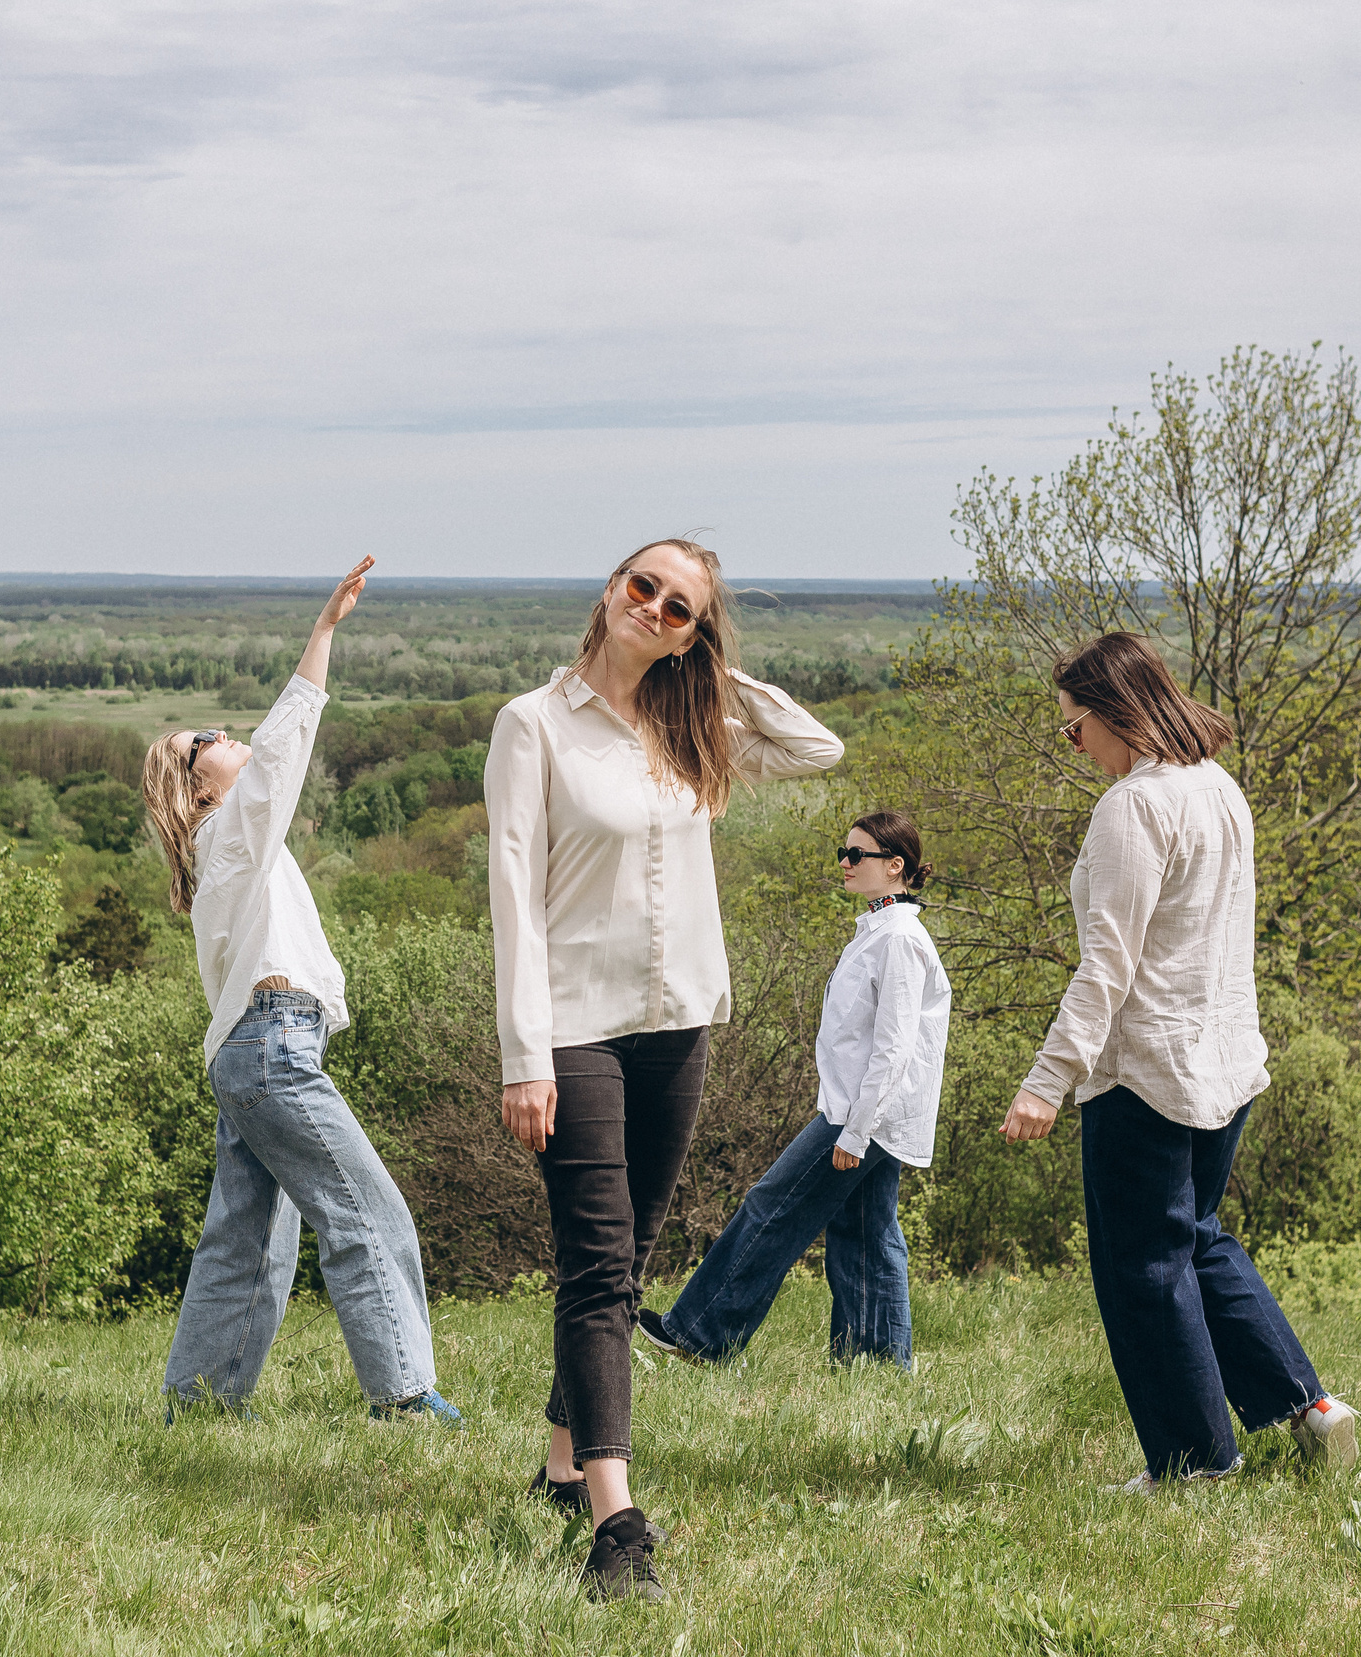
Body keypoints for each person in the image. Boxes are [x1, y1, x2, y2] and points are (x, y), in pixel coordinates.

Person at [485, 538, 844, 1601]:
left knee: (628, 1253)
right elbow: (511, 895)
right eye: (642, 586)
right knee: (597, 1261)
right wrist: (522, 1055)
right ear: (607, 588)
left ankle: (560, 1460)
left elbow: (816, 748)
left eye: (679, 605)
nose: (652, 606)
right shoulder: (532, 725)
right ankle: (614, 1521)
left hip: (677, 1019)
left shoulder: (696, 726)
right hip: (576, 1027)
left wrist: (707, 667)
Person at [1000, 632, 1357, 1489]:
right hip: (1224, 1060)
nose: (1073, 745)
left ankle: (1194, 1464)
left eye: (1074, 726)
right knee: (1197, 1239)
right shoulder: (1220, 789)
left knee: (1142, 1267)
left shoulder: (1134, 806)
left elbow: (1108, 963)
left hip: (1147, 1071)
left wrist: (1047, 1078)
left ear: (1118, 711)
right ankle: (1309, 1408)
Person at [142, 554, 460, 1430]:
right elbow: (281, 752)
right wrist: (323, 633)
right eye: (204, 741)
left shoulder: (228, 851)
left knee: (247, 1242)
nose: (222, 732)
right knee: (367, 1211)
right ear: (198, 788)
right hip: (270, 1051)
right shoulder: (229, 833)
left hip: (253, 1053)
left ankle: (199, 1407)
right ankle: (403, 1397)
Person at [639, 811, 950, 1369]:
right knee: (864, 1230)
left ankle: (702, 1333)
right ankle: (872, 1364)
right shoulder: (880, 930)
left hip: (862, 1114)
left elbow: (896, 1047)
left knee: (773, 1206)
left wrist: (856, 1131)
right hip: (862, 1110)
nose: (845, 863)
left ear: (895, 866)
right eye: (844, 852)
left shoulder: (900, 939)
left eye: (858, 855)